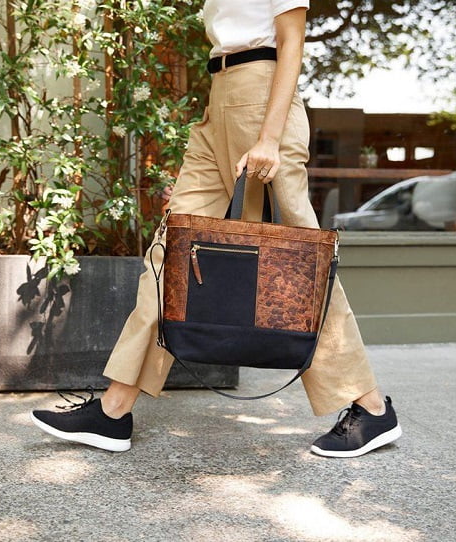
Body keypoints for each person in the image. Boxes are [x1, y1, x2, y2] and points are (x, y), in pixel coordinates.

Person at [30, 0, 402, 458]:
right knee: (169, 253)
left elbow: (292, 40)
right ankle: (113, 411)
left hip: (262, 100)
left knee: (301, 268)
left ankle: (371, 407)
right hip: (219, 99)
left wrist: (269, 138)